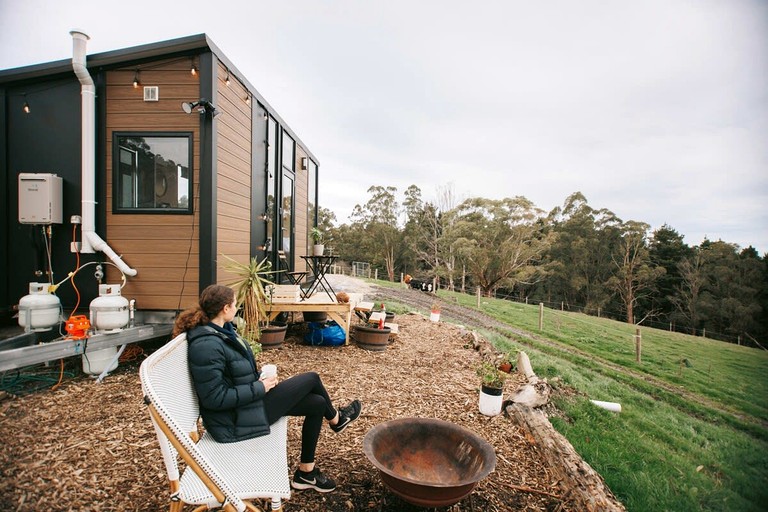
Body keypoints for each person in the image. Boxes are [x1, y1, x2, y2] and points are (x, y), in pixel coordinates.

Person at [172, 284, 361, 493]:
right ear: (225, 308)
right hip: (233, 420)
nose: (237, 307)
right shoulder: (206, 345)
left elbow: (230, 375)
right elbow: (214, 398)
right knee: (312, 378)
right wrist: (259, 387)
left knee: (317, 404)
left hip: (246, 406)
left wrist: (258, 378)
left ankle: (306, 472)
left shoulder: (219, 332)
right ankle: (336, 420)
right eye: (235, 304)